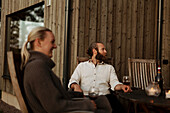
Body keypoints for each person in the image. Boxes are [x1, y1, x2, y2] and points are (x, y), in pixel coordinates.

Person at [21, 27, 112, 113]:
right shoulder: (37, 68)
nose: (55, 46)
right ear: (39, 43)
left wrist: (78, 95)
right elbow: (54, 106)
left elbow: (57, 96)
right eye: (52, 42)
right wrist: (87, 105)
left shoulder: (38, 66)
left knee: (102, 101)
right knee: (101, 106)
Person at [68, 42, 132, 113]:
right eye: (103, 49)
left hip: (105, 97)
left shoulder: (109, 68)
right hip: (85, 97)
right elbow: (73, 80)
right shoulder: (81, 66)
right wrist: (76, 86)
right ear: (94, 51)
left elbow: (114, 83)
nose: (105, 52)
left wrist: (122, 86)